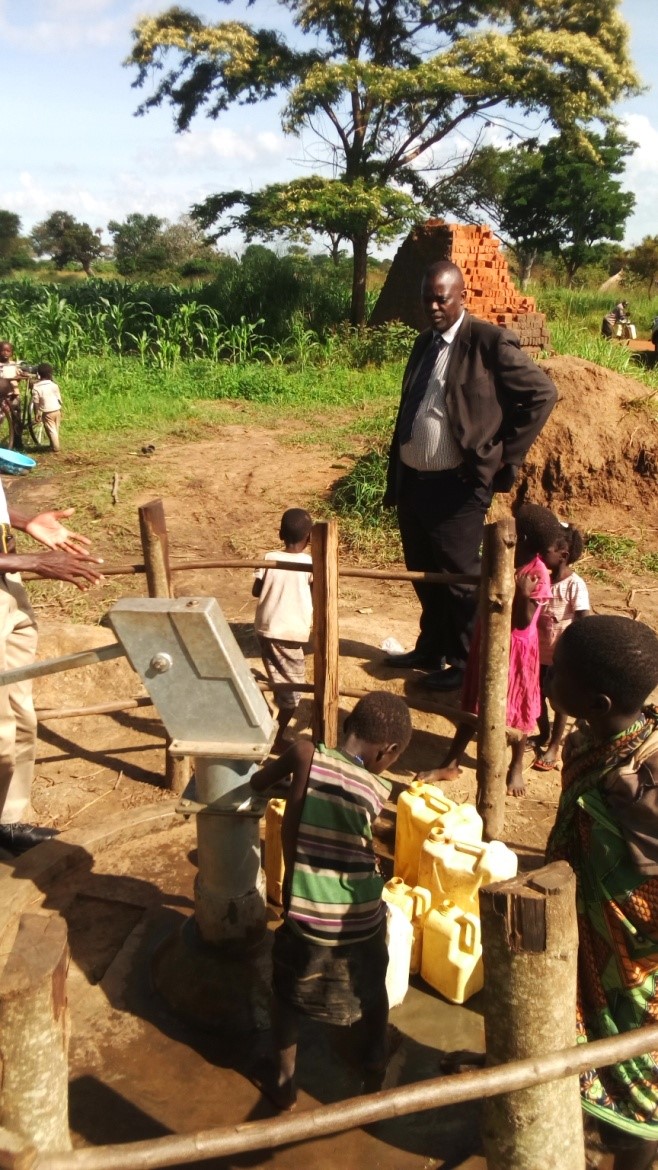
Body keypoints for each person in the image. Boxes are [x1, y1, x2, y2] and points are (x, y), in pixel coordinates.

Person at [383, 260, 556, 693]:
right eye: (428, 298)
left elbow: (542, 394)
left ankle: (464, 662)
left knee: (460, 580)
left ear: (463, 296)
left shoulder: (488, 341)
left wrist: (502, 456)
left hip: (457, 488)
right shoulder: (424, 344)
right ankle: (432, 647)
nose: (434, 306)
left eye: (442, 297)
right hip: (415, 483)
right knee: (423, 570)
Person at [249, 691, 413, 1110]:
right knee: (373, 987)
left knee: (286, 993)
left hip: (307, 914)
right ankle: (374, 1059)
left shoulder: (304, 753)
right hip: (364, 913)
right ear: (388, 751)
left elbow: (257, 783)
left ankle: (285, 1083)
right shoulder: (379, 785)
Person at [546, 616, 658, 1170]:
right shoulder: (604, 744)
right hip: (594, 940)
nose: (548, 672)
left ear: (596, 701)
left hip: (631, 964)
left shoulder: (636, 788)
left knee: (639, 1087)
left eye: (557, 670)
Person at [416, 503, 557, 797]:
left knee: (518, 708)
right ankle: (451, 762)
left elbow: (521, 622)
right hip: (487, 637)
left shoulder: (537, 573)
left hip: (517, 650)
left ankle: (515, 765)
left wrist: (521, 593)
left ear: (525, 538)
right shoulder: (506, 557)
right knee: (474, 701)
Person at [0, 495, 103, 856]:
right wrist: (31, 560)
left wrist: (24, 522)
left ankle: (7, 822)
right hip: (10, 568)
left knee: (20, 715)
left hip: (7, 583)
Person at [532, 519, 591, 772]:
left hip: (560, 658)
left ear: (563, 555)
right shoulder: (539, 578)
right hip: (536, 654)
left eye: (545, 551)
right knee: (536, 697)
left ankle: (554, 745)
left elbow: (583, 620)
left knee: (559, 702)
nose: (539, 555)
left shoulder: (574, 585)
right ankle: (542, 734)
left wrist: (574, 653)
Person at [252, 508, 313, 752]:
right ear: (309, 538)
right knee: (294, 693)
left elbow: (256, 591)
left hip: (266, 628)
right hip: (289, 634)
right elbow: (317, 593)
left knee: (277, 674)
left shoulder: (268, 557)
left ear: (280, 534)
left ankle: (275, 701)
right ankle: (276, 737)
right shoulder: (310, 563)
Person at [0, 341, 28, 447]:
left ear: (11, 353)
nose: (5, 353)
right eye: (3, 350)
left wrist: (19, 377)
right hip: (1, 395)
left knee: (16, 418)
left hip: (12, 394)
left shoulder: (13, 365)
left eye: (8, 351)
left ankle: (17, 442)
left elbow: (19, 376)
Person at [31, 363, 63, 453]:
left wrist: (37, 413)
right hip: (57, 409)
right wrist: (61, 408)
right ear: (50, 374)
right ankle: (52, 445)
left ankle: (56, 448)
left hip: (47, 412)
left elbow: (36, 402)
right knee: (55, 428)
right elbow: (59, 398)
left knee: (51, 429)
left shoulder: (36, 387)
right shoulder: (54, 385)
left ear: (38, 375)